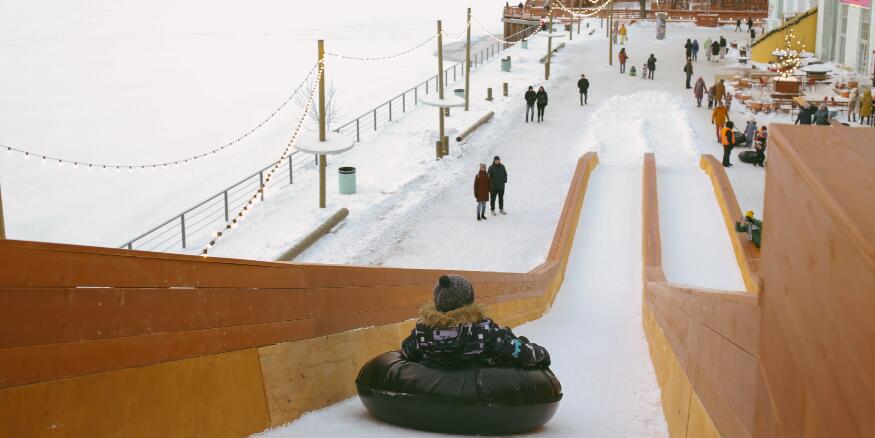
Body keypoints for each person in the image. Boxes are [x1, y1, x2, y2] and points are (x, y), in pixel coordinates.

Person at [401, 275, 551, 367]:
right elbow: (520, 354)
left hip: (435, 392)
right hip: (478, 389)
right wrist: (541, 353)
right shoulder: (483, 330)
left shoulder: (422, 332)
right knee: (513, 338)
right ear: (469, 300)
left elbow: (406, 351)